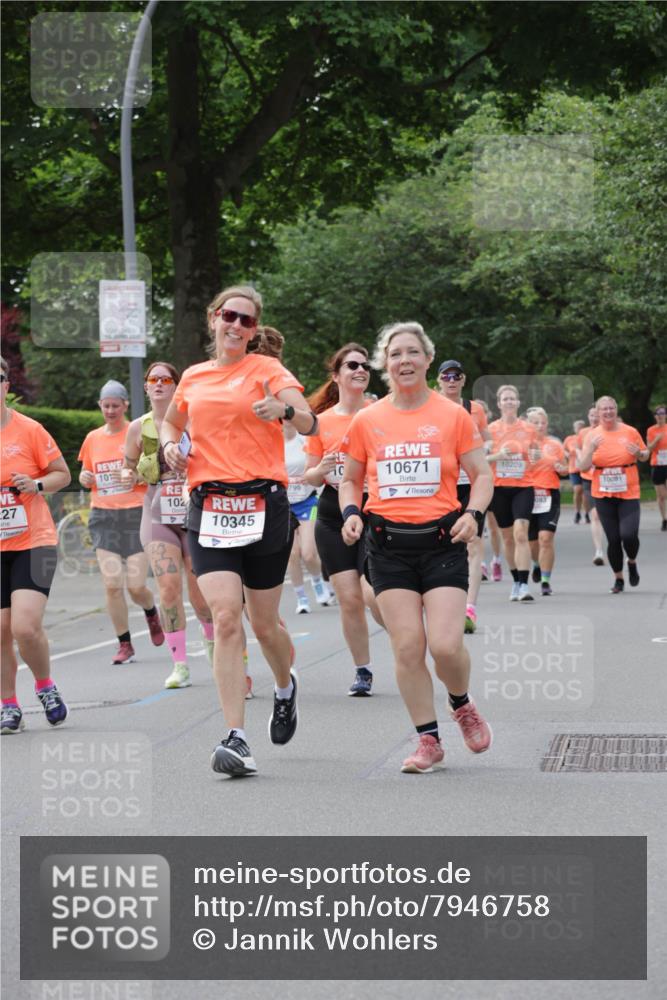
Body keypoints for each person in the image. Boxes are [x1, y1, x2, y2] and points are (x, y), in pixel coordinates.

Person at [159, 284, 316, 777]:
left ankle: (285, 686)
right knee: (226, 616)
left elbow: (310, 421)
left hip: (264, 505)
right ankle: (237, 737)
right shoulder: (194, 376)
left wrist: (285, 411)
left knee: (264, 624)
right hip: (208, 506)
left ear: (254, 331)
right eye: (230, 316)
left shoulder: (267, 371)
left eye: (247, 321)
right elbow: (169, 423)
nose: (236, 326)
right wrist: (169, 447)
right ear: (213, 318)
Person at [340, 322, 494, 774]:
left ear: (428, 360)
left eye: (412, 353)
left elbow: (482, 476)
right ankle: (428, 740)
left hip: (442, 542)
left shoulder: (453, 416)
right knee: (408, 647)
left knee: (446, 646)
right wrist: (352, 513)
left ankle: (462, 704)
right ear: (384, 365)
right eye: (394, 354)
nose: (403, 360)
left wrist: (475, 514)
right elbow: (349, 479)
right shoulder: (368, 420)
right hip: (388, 547)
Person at [124, 361, 214, 690]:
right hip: (158, 511)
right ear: (146, 387)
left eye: (166, 379)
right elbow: (128, 464)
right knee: (168, 588)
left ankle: (214, 645)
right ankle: (179, 664)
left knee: (201, 594)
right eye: (153, 379)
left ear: (176, 386)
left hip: (194, 512)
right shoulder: (139, 427)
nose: (159, 384)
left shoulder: (192, 422)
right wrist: (127, 474)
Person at [303, 343, 384, 696]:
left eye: (365, 365)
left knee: (373, 594)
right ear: (337, 376)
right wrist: (320, 470)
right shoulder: (322, 422)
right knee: (350, 598)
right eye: (352, 365)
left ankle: (410, 643)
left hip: (375, 509)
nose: (360, 370)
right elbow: (309, 476)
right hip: (334, 510)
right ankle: (363, 671)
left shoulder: (380, 413)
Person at [1, 356, 71, 734]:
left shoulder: (29, 430)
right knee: (0, 629)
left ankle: (45, 686)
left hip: (34, 540)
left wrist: (36, 484)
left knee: (24, 627)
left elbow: (63, 473)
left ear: (6, 386)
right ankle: (8, 705)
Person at [78, 380, 165, 663]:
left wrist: (135, 476)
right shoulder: (92, 438)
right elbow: (85, 472)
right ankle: (124, 643)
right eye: (106, 406)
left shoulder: (136, 432)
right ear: (100, 406)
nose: (111, 410)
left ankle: (151, 610)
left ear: (125, 405)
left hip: (135, 514)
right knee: (112, 584)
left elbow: (154, 472)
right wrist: (85, 478)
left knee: (136, 586)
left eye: (116, 405)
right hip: (103, 515)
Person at [437, 359, 490, 633]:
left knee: (473, 543)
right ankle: (445, 604)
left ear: (463, 380)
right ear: (439, 381)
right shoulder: (431, 406)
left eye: (456, 376)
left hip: (468, 484)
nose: (451, 380)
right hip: (440, 485)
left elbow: (486, 438)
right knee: (443, 544)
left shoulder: (474, 409)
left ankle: (469, 608)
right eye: (446, 376)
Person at [578, 396, 648, 593]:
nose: (608, 412)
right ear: (598, 413)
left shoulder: (630, 431)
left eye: (611, 408)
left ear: (616, 410)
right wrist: (590, 449)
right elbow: (582, 466)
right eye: (604, 409)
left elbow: (645, 454)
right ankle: (618, 578)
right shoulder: (591, 436)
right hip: (603, 492)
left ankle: (632, 561)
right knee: (614, 538)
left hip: (629, 490)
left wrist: (640, 454)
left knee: (629, 535)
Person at [486, 385, 539, 601]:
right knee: (507, 538)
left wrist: (535, 457)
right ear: (499, 404)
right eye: (505, 399)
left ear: (518, 403)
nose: (509, 402)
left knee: (520, 533)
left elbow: (535, 453)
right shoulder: (490, 430)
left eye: (512, 399)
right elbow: (482, 460)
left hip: (523, 486)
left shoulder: (529, 429)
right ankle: (516, 580)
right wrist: (498, 455)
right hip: (499, 488)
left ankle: (525, 586)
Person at [283, 420, 333, 613]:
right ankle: (302, 599)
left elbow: (316, 466)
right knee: (292, 555)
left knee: (309, 552)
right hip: (285, 506)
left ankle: (318, 583)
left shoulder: (304, 440)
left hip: (307, 502)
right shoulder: (274, 440)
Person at [525, 407, 568, 595]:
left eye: (543, 422)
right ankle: (536, 563)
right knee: (532, 542)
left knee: (546, 538)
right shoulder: (521, 444)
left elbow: (565, 469)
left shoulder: (555, 444)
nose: (540, 426)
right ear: (528, 424)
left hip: (549, 494)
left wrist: (561, 468)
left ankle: (545, 580)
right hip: (526, 495)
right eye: (535, 422)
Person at [576, 406, 606, 565]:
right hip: (588, 477)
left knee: (608, 516)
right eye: (591, 415)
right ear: (588, 416)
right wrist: (583, 459)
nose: (594, 418)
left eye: (596, 415)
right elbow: (578, 449)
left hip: (605, 477)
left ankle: (618, 545)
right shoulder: (583, 433)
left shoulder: (606, 431)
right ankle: (599, 551)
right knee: (595, 515)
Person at [646, 404, 667, 530]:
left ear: (666, 415)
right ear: (655, 416)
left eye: (662, 413)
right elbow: (648, 449)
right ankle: (664, 519)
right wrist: (656, 440)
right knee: (661, 496)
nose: (660, 416)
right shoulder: (651, 430)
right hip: (657, 464)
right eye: (658, 414)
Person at [563, 419, 587, 523]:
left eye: (581, 427)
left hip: (586, 468)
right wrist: (566, 454)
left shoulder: (587, 438)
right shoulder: (569, 439)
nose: (579, 429)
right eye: (577, 427)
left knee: (586, 492)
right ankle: (577, 512)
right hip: (573, 468)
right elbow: (563, 449)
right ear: (574, 429)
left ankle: (587, 513)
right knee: (578, 490)